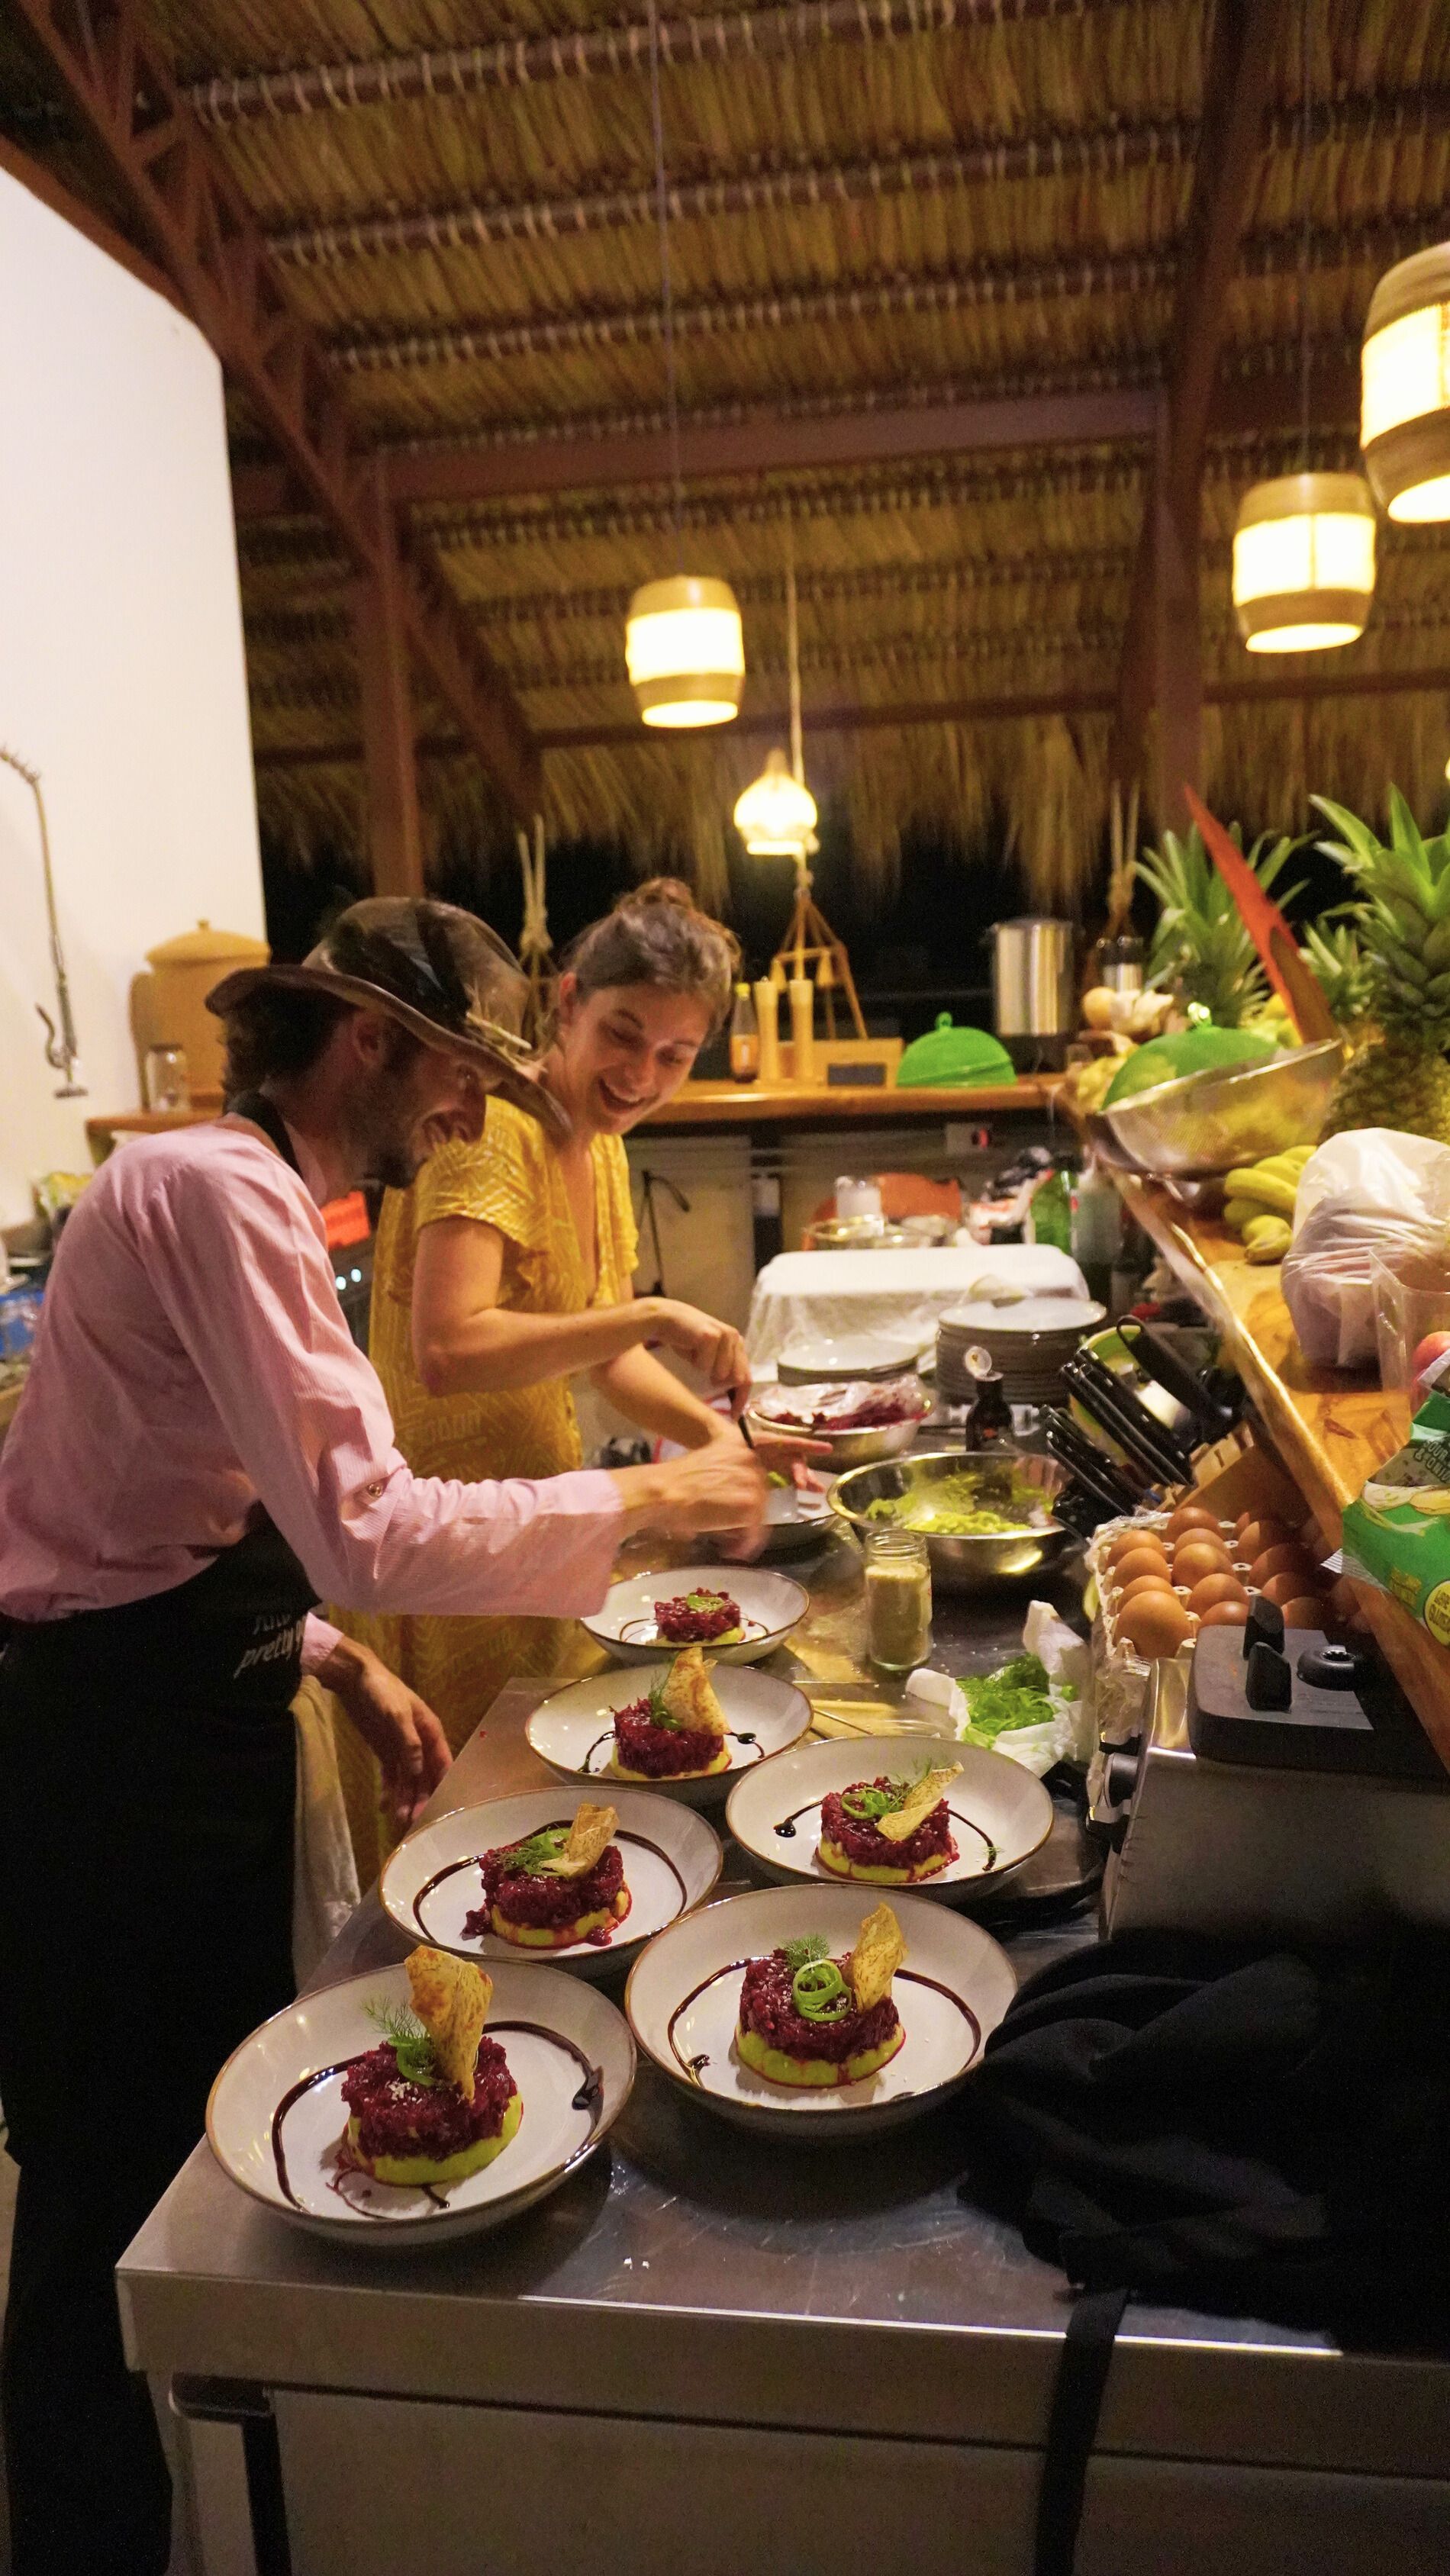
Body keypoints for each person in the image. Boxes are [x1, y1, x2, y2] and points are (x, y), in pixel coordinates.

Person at [0, 895, 765, 2576]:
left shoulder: (264, 1189)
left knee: (194, 2134)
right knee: (111, 2182)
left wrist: (336, 1658)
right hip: (112, 1748)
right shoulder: (213, 1187)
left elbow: (187, 1495)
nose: (469, 1114)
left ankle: (210, 2489)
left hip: (191, 1684)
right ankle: (93, 2530)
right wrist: (650, 1492)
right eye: (457, 1075)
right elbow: (354, 1512)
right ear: (370, 1041)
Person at [361, 880, 792, 1754]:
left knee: (532, 1797)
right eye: (622, 1034)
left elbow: (608, 1355)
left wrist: (722, 1443)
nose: (640, 1076)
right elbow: (448, 1347)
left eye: (675, 1054)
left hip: (537, 1517)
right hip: (443, 1529)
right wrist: (656, 1313)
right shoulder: (491, 1126)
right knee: (469, 1803)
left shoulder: (598, 1140)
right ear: (569, 1003)